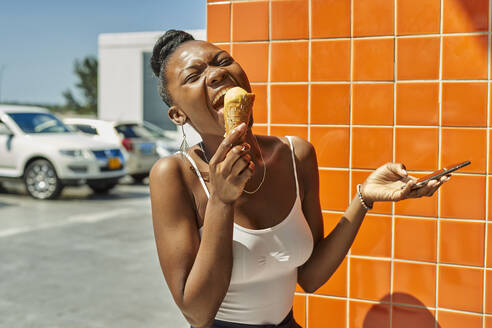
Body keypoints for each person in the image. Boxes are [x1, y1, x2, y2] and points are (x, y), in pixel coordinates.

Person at [148, 30, 449, 328]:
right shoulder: (174, 175)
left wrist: (364, 198)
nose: (216, 75)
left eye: (223, 61)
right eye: (193, 76)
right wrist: (221, 202)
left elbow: (310, 277)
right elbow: (197, 314)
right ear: (178, 115)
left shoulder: (296, 155)